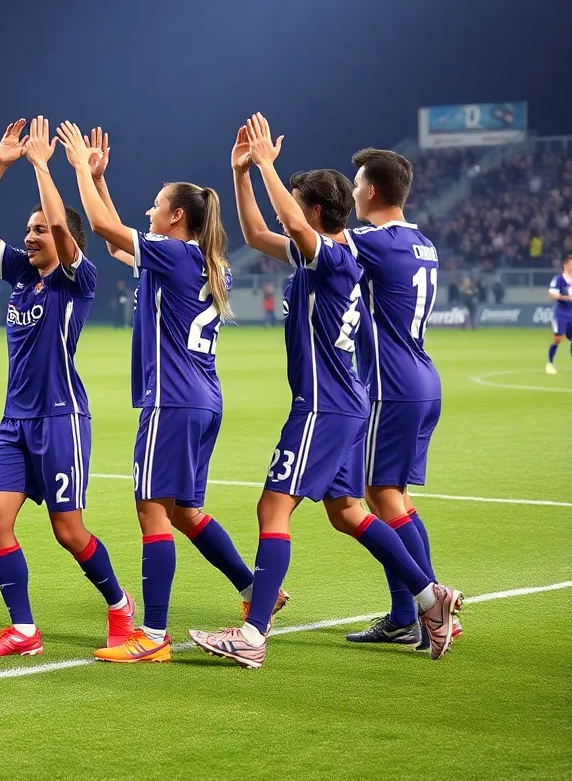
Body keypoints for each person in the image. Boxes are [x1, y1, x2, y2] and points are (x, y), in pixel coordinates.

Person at [188, 115, 462, 668]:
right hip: (349, 402)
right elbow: (258, 234)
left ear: (312, 213)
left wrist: (267, 163)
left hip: (324, 405)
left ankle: (253, 635)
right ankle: (431, 598)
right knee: (348, 511)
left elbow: (289, 223)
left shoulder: (334, 259)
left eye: (297, 204)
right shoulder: (331, 256)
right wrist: (242, 173)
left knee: (273, 507)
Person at [57, 121, 287, 663]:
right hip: (204, 399)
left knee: (151, 510)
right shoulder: (207, 262)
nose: (150, 214)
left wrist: (77, 172)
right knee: (185, 511)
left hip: (174, 399)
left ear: (176, 217)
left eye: (157, 207)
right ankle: (258, 590)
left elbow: (99, 226)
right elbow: (119, 239)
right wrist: (99, 178)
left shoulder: (175, 255)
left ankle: (153, 636)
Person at [0, 117, 137, 659]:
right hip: (16, 421)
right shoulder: (21, 272)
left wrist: (43, 165)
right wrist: (2, 164)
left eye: (38, 231)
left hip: (61, 419)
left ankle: (120, 604)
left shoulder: (76, 280)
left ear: (66, 242)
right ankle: (24, 629)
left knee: (68, 531)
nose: (30, 237)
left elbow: (61, 226)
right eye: (28, 230)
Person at [341, 147, 457, 649]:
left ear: (370, 191)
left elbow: (296, 237)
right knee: (395, 497)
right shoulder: (424, 243)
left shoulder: (373, 242)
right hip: (423, 378)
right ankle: (404, 613)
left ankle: (431, 607)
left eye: (354, 183)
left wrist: (259, 170)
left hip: (391, 384)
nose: (350, 191)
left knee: (381, 497)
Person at [545, 253, 572, 374]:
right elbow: (551, 293)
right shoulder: (558, 279)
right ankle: (549, 364)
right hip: (561, 313)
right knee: (557, 339)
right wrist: (565, 298)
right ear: (565, 265)